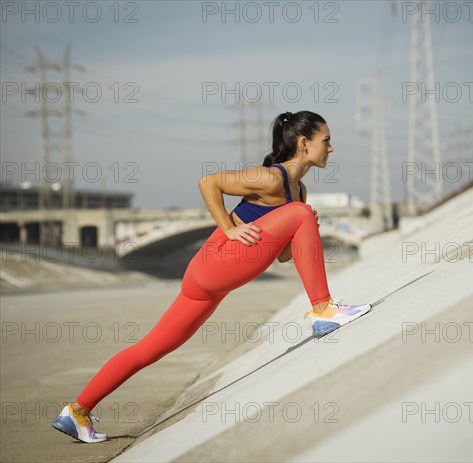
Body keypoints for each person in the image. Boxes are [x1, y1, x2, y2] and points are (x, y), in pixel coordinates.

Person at [51, 110, 372, 443]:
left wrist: (305, 228)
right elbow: (209, 182)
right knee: (300, 214)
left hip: (206, 284)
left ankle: (77, 411)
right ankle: (323, 310)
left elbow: (282, 256)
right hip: (213, 263)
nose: (331, 149)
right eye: (327, 141)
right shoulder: (271, 178)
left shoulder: (299, 192)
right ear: (304, 144)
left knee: (149, 349)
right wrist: (230, 228)